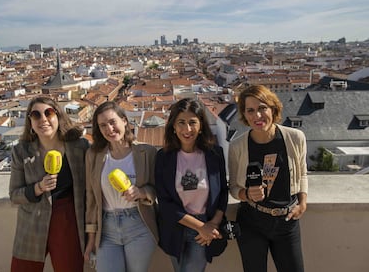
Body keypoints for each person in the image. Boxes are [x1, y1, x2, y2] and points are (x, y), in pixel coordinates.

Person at [228, 85, 308, 272]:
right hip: (252, 222)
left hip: (287, 222)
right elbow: (232, 187)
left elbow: (303, 173)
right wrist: (246, 194)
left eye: (262, 108)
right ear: (244, 115)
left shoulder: (295, 137)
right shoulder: (237, 146)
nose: (257, 116)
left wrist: (302, 203)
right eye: (251, 110)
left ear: (273, 108)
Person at [9, 96, 89, 272]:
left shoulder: (79, 147)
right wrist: (38, 188)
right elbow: (14, 195)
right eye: (36, 115)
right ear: (30, 121)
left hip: (68, 219)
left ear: (58, 116)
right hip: (32, 221)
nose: (43, 119)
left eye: (49, 113)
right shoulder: (21, 151)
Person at [155, 98, 228, 272]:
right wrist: (202, 228)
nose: (187, 129)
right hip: (176, 228)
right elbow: (165, 203)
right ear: (173, 126)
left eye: (192, 122)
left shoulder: (214, 154)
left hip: (204, 229)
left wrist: (212, 225)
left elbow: (223, 192)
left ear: (201, 125)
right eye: (181, 122)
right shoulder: (163, 158)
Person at [84, 101, 158, 272]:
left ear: (124, 121)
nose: (109, 129)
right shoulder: (93, 155)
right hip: (106, 229)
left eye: (112, 122)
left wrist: (142, 192)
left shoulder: (146, 152)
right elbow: (91, 200)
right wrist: (91, 239)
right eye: (103, 125)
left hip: (139, 225)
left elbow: (157, 189)